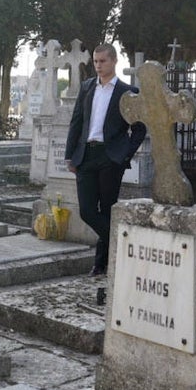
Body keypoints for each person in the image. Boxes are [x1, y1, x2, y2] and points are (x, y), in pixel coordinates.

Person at [64, 45, 146, 275]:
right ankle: (121, 242)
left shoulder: (128, 92)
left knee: (108, 210)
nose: (98, 65)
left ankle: (101, 265)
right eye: (96, 61)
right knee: (87, 211)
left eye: (103, 61)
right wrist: (70, 155)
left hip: (111, 157)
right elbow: (76, 122)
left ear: (114, 61)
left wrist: (125, 154)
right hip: (86, 155)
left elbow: (139, 128)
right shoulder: (87, 87)